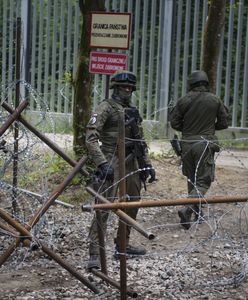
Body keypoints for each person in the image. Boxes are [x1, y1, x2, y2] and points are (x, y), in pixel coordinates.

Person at [85, 70, 156, 269]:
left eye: (130, 87)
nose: (127, 90)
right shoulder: (105, 108)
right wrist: (102, 163)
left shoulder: (132, 110)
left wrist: (147, 164)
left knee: (133, 204)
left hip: (132, 161)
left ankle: (122, 245)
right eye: (123, 87)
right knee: (104, 207)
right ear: (115, 87)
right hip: (111, 160)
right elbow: (90, 138)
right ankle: (94, 252)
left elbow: (140, 140)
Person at [170, 70, 229, 230]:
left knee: (192, 178)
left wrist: (188, 129)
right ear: (206, 83)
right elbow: (224, 123)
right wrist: (210, 127)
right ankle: (187, 208)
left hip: (187, 144)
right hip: (205, 143)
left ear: (191, 84)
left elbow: (174, 123)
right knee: (204, 180)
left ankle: (197, 212)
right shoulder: (215, 100)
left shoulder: (184, 100)